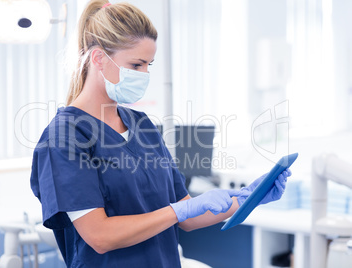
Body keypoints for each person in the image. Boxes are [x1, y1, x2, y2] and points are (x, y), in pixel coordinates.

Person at [30, 0, 292, 267]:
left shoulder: (141, 126)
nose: (145, 74)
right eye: (136, 65)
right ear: (98, 58)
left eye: (149, 65)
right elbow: (100, 235)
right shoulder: (64, 136)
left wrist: (248, 198)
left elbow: (188, 216)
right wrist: (176, 211)